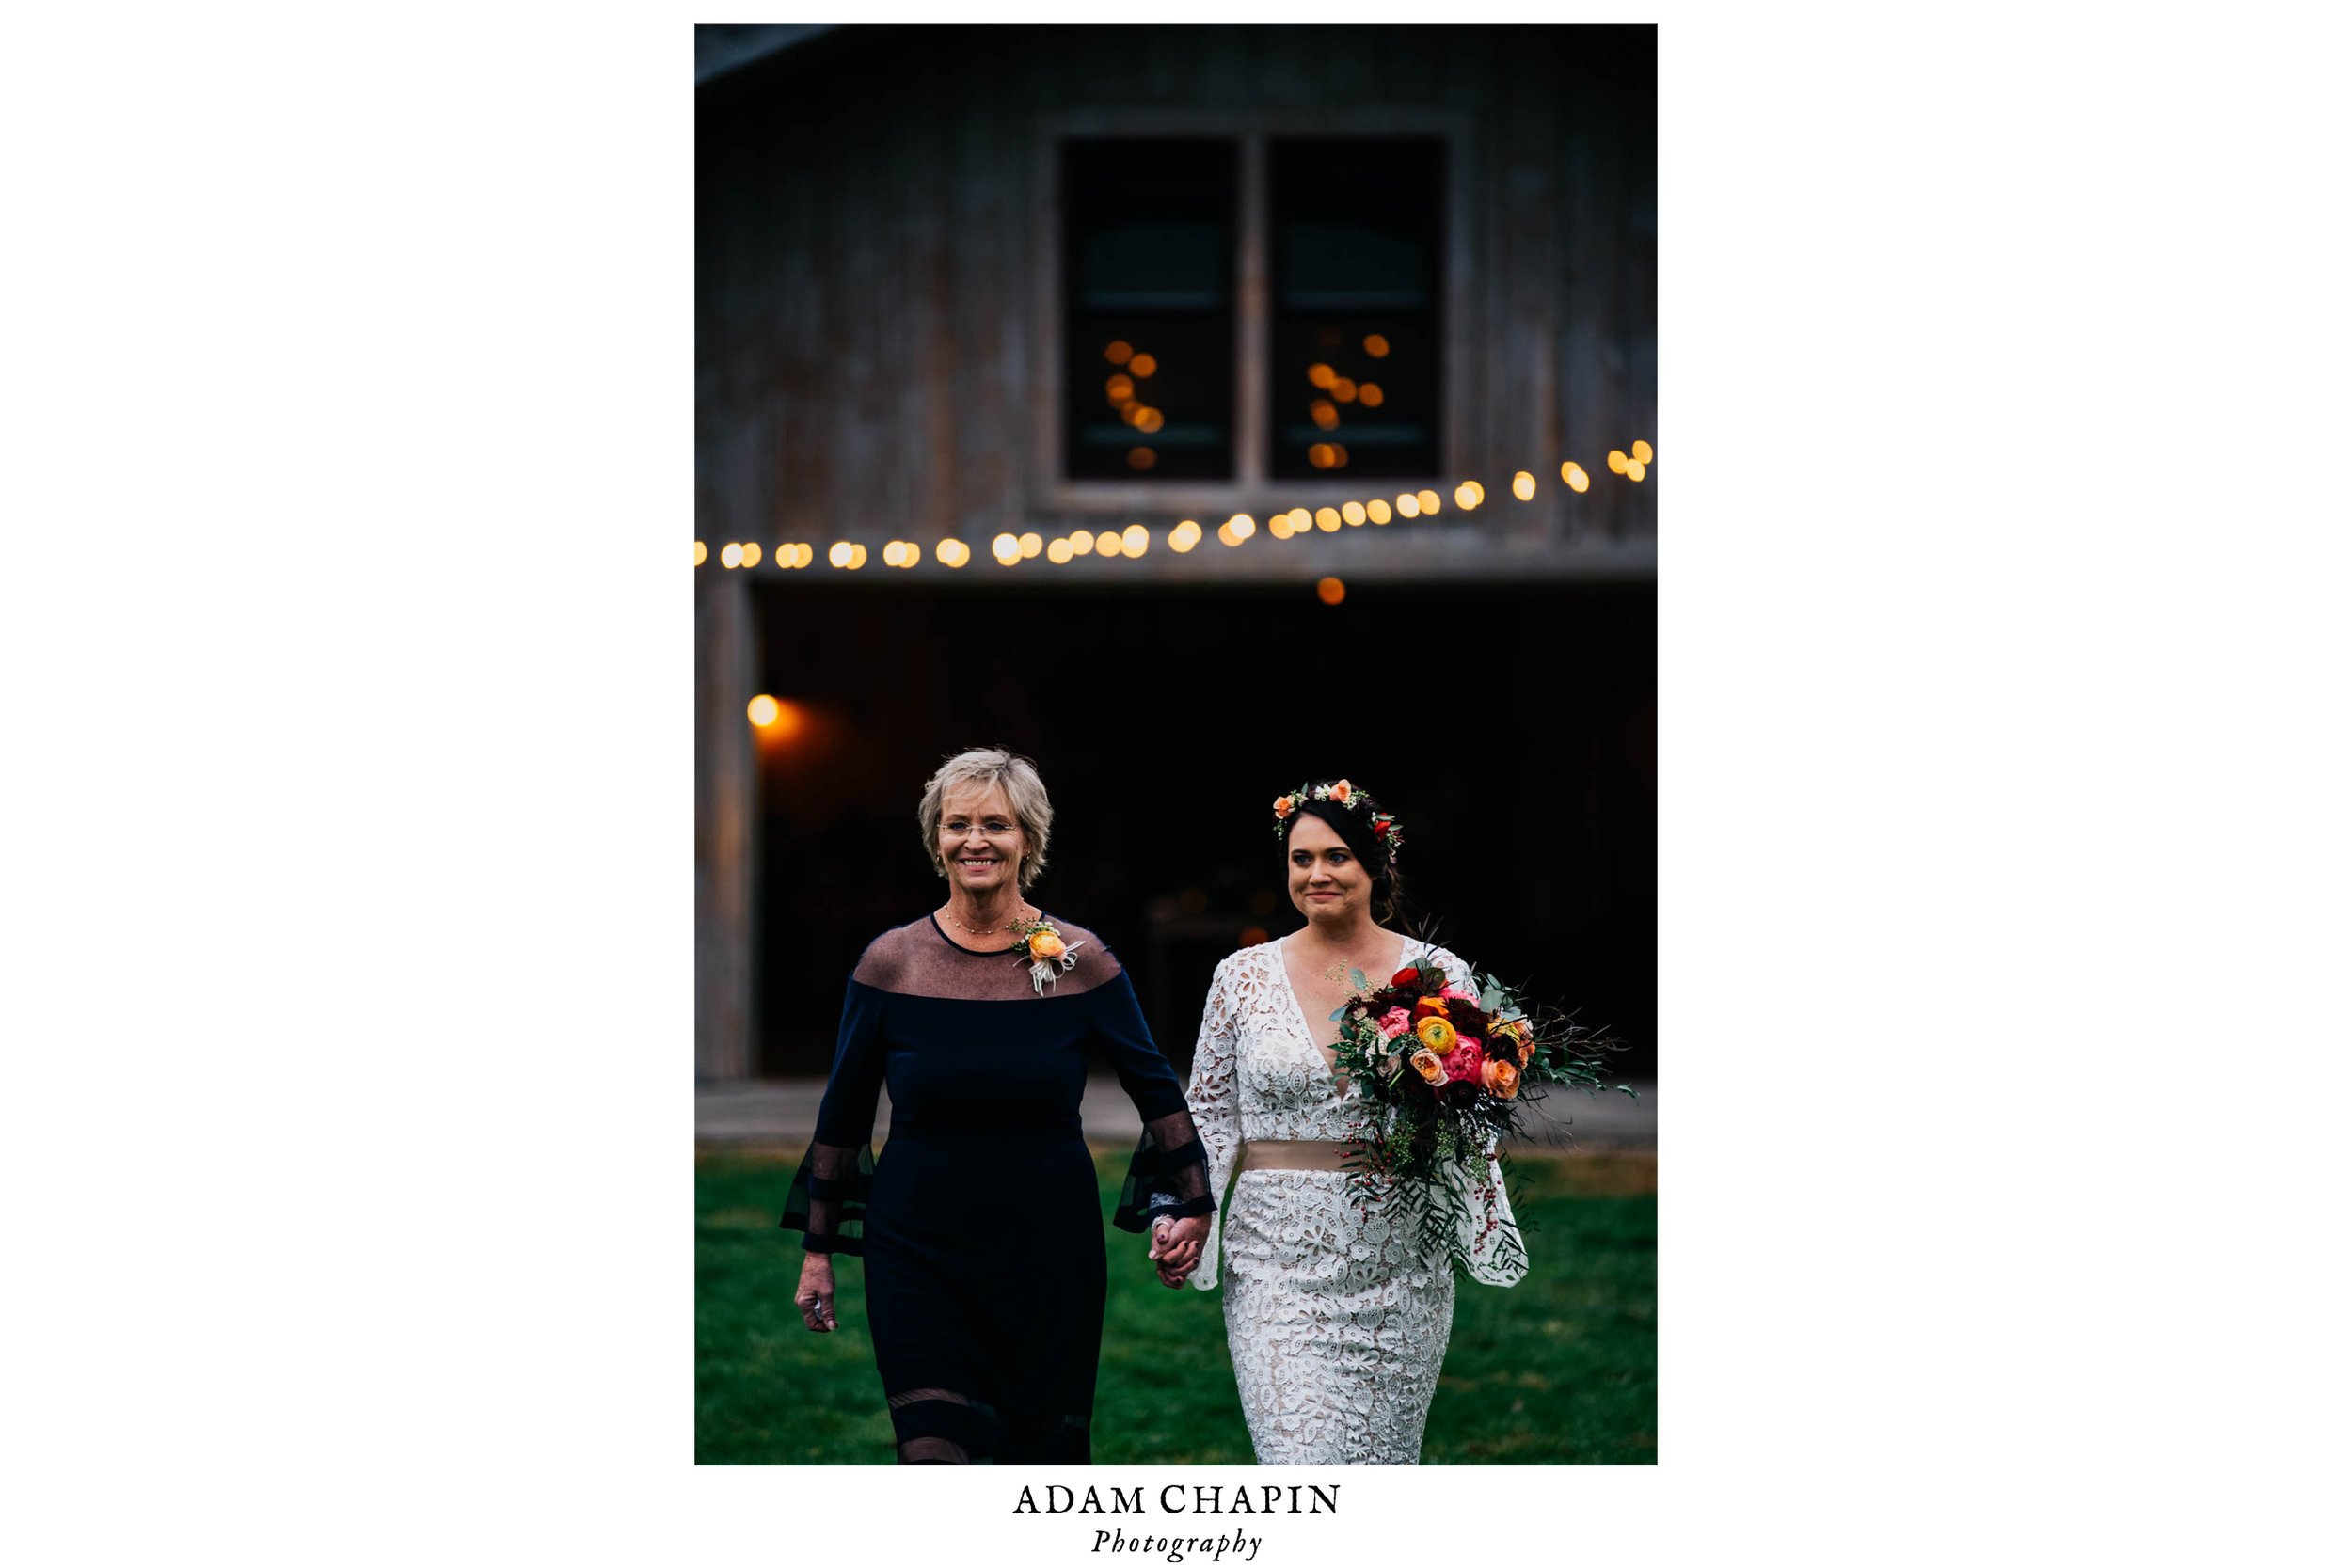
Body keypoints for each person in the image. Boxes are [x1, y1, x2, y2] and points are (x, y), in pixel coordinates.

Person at [782, 748, 1214, 1464]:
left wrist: (1191, 1200)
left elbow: (1155, 1088)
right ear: (936, 838)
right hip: (917, 1250)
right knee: (933, 1456)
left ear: (1028, 841)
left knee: (1038, 1468)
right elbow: (844, 1113)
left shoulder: (1080, 958)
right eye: (957, 824)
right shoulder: (890, 962)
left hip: (1049, 1251)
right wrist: (817, 1251)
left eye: (995, 824)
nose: (974, 840)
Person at [1178, 779, 1524, 1464]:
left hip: (1401, 1264)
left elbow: (1473, 1112)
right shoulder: (1240, 976)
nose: (1317, 874)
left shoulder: (1435, 973)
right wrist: (1186, 1209)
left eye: (1335, 856)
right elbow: (1209, 1114)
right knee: (1298, 1464)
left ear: (1374, 864)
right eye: (1301, 859)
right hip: (1275, 1261)